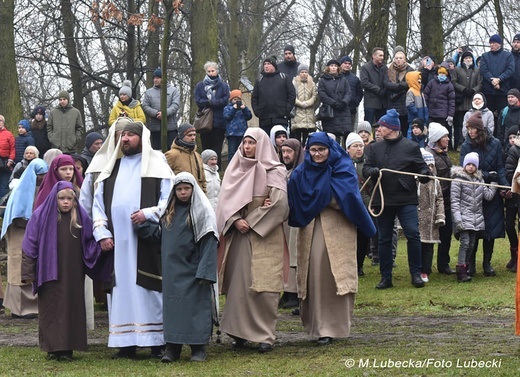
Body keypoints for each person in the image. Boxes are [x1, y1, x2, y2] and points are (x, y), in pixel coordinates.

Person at [92, 121, 174, 359]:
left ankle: (156, 342)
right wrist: (102, 234)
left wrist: (147, 214)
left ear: (141, 138)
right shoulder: (110, 168)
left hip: (146, 240)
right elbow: (97, 205)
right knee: (121, 291)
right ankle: (125, 343)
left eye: (129, 135)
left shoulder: (157, 164)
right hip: (117, 244)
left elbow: (168, 200)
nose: (125, 139)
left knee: (149, 289)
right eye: (121, 135)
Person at [288, 132, 375, 345]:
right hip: (310, 227)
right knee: (314, 275)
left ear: (329, 149)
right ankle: (318, 326)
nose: (317, 154)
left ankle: (334, 325)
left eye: (322, 149)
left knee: (333, 275)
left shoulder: (342, 167)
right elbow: (296, 195)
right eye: (314, 150)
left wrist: (323, 197)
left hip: (337, 228)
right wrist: (322, 196)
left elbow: (348, 196)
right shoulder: (301, 172)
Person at [216, 128, 288, 353]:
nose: (247, 147)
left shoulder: (274, 171)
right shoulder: (234, 167)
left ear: (262, 145)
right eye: (245, 142)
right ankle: (238, 333)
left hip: (265, 237)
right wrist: (236, 220)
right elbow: (224, 202)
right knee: (239, 286)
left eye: (252, 143)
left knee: (264, 286)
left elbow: (279, 204)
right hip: (239, 236)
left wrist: (253, 219)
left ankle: (265, 335)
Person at [22, 181, 109, 361]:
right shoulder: (41, 216)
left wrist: (102, 245)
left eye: (70, 199)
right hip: (48, 273)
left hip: (73, 273)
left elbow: (90, 241)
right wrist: (28, 272)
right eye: (62, 198)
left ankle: (68, 347)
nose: (66, 202)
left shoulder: (81, 218)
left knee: (71, 308)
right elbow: (29, 245)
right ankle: (52, 348)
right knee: (50, 309)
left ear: (74, 200)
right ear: (55, 199)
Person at [363, 109, 432, 289]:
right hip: (382, 198)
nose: (378, 130)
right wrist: (371, 171)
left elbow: (421, 168)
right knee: (384, 238)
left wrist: (424, 174)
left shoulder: (410, 146)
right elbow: (366, 168)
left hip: (405, 198)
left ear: (392, 128)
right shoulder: (374, 147)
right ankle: (386, 277)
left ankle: (416, 274)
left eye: (382, 126)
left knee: (413, 234)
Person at [160, 172, 218, 363]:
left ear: (193, 189)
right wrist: (141, 226)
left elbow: (209, 240)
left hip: (194, 271)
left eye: (186, 189)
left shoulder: (203, 212)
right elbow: (160, 236)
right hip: (172, 272)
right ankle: (172, 348)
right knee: (173, 310)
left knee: (195, 309)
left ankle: (198, 348)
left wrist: (205, 270)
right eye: (179, 189)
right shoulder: (169, 213)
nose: (183, 193)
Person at [459, 111, 507, 277]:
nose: (470, 131)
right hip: (473, 193)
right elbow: (463, 170)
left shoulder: (495, 143)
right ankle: (470, 264)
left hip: (492, 192)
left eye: (472, 128)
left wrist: (504, 186)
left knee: (490, 230)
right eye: (468, 128)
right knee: (474, 230)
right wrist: (485, 175)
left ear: (479, 129)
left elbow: (500, 166)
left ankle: (487, 263)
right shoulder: (466, 145)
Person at [1, 159, 48, 319]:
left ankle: (31, 308)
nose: (42, 178)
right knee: (17, 269)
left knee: (29, 266)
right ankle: (19, 309)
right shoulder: (21, 189)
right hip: (18, 233)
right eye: (40, 175)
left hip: (30, 232)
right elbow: (18, 216)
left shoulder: (36, 188)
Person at [451, 153, 497, 283]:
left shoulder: (479, 180)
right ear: (464, 165)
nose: (471, 167)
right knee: (465, 243)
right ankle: (461, 271)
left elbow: (488, 196)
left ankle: (465, 268)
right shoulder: (457, 180)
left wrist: (494, 182)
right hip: (463, 217)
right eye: (468, 164)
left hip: (476, 218)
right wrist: (458, 219)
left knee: (471, 245)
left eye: (473, 165)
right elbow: (454, 201)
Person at [425, 122, 455, 275]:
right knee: (430, 234)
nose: (448, 139)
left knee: (446, 234)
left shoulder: (443, 153)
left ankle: (443, 264)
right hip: (434, 201)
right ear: (437, 138)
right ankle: (426, 267)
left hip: (447, 202)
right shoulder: (429, 155)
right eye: (445, 136)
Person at [279, 139, 305, 313]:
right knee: (286, 254)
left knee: (296, 255)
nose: (286, 155)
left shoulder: (302, 172)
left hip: (297, 219)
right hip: (285, 219)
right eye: (283, 152)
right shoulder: (285, 172)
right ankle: (287, 291)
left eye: (289, 152)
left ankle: (296, 292)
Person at [345, 132, 373, 277]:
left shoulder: (368, 163)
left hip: (365, 205)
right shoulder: (342, 164)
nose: (359, 149)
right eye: (355, 146)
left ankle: (359, 265)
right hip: (348, 206)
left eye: (361, 146)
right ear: (348, 148)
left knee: (363, 237)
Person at [194, 62, 230, 167]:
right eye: (208, 71)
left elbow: (224, 100)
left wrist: (213, 102)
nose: (211, 73)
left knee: (217, 147)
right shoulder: (200, 86)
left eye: (212, 71)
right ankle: (205, 168)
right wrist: (208, 102)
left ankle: (216, 168)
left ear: (217, 71)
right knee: (206, 146)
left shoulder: (223, 86)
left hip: (219, 121)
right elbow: (198, 100)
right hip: (205, 121)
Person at [417, 149, 445, 283]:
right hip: (418, 219)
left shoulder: (436, 182)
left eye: (431, 166)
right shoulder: (415, 181)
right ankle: (417, 269)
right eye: (426, 165)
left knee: (428, 248)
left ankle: (425, 270)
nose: (429, 168)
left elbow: (440, 199)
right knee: (417, 246)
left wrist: (440, 216)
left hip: (431, 221)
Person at [252, 56, 296, 135]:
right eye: (264, 64)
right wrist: (258, 111)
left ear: (274, 66)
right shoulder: (259, 80)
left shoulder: (284, 78)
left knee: (280, 143)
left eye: (268, 64)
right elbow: (254, 98)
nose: (266, 66)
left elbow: (292, 95)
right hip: (264, 120)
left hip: (280, 119)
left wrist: (286, 110)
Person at [141, 67, 181, 150]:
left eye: (158, 78)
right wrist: (156, 114)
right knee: (157, 153)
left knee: (171, 151)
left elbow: (175, 105)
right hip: (155, 128)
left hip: (170, 128)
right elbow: (145, 106)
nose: (155, 80)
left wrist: (165, 113)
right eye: (154, 78)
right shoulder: (149, 92)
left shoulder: (174, 91)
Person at [479, 34, 515, 124]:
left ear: (499, 44)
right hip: (488, 92)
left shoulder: (508, 56)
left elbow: (510, 70)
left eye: (494, 43)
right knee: (488, 118)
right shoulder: (484, 56)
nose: (491, 45)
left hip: (503, 91)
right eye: (490, 43)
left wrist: (499, 79)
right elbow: (483, 70)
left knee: (502, 117)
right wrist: (493, 81)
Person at [451, 50, 482, 150]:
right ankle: (459, 143)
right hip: (460, 101)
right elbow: (454, 82)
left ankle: (472, 142)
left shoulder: (477, 71)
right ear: (462, 60)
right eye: (466, 58)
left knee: (471, 123)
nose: (468, 60)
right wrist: (463, 89)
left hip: (473, 100)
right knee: (459, 123)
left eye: (469, 58)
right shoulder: (457, 69)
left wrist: (473, 90)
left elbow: (480, 83)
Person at [317, 59, 352, 145]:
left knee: (346, 136)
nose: (333, 68)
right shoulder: (322, 80)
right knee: (331, 137)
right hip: (330, 112)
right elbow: (322, 94)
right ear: (328, 68)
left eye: (335, 66)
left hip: (343, 111)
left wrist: (344, 102)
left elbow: (348, 92)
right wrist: (333, 103)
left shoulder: (343, 80)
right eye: (332, 66)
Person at [165, 123, 206, 193]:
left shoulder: (197, 156)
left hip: (197, 198)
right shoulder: (171, 155)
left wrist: (204, 195)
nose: (193, 137)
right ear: (181, 136)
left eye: (194, 135)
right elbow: (164, 180)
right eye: (189, 135)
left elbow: (203, 180)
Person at [384, 47, 413, 136]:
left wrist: (398, 87)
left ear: (404, 59)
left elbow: (409, 83)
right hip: (392, 102)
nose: (398, 60)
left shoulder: (410, 69)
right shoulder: (388, 69)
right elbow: (386, 84)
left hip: (404, 102)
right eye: (396, 58)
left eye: (400, 58)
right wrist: (399, 86)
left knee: (404, 127)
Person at [504, 128, 520, 273]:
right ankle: (514, 254)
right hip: (513, 194)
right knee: (509, 225)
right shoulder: (514, 151)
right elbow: (509, 172)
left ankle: (518, 259)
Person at [423, 66, 455, 136]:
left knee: (440, 132)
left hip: (442, 114)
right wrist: (425, 108)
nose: (441, 75)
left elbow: (451, 101)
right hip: (431, 112)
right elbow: (426, 96)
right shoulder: (431, 82)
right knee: (430, 131)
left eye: (443, 74)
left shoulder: (449, 85)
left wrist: (450, 114)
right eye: (440, 73)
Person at [359, 47, 388, 125]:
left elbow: (387, 81)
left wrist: (385, 90)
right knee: (367, 125)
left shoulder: (384, 68)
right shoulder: (365, 68)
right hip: (370, 102)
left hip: (382, 103)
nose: (382, 57)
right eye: (380, 55)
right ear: (373, 56)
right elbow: (364, 82)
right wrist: (378, 90)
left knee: (382, 126)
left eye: (383, 56)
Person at [223, 89, 252, 163]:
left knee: (243, 151)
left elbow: (249, 116)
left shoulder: (243, 108)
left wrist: (244, 109)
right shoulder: (227, 108)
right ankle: (231, 167)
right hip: (232, 134)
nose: (237, 101)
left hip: (242, 133)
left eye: (239, 99)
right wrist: (234, 109)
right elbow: (227, 117)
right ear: (231, 99)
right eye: (235, 99)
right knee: (232, 152)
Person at [292, 64, 318, 146]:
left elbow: (314, 96)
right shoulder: (294, 83)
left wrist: (307, 103)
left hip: (309, 115)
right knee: (297, 137)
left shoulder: (312, 84)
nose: (304, 74)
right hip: (297, 114)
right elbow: (292, 96)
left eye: (306, 72)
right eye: (302, 72)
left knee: (307, 138)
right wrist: (300, 103)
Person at [340, 56, 363, 128]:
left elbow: (360, 93)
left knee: (349, 132)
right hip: (338, 109)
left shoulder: (355, 78)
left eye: (349, 64)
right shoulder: (336, 77)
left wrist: (356, 102)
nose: (347, 65)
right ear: (341, 64)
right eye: (345, 63)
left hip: (351, 109)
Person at [405, 71, 428, 135]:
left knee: (422, 134)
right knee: (412, 132)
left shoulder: (420, 91)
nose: (420, 80)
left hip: (422, 118)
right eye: (418, 79)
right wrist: (416, 113)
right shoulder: (411, 91)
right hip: (414, 118)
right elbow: (409, 104)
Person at [0, 115, 16, 199]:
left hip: (5, 164)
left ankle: (2, 209)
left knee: (3, 187)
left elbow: (12, 149)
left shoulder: (9, 134)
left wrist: (10, 161)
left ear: (3, 122)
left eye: (0, 120)